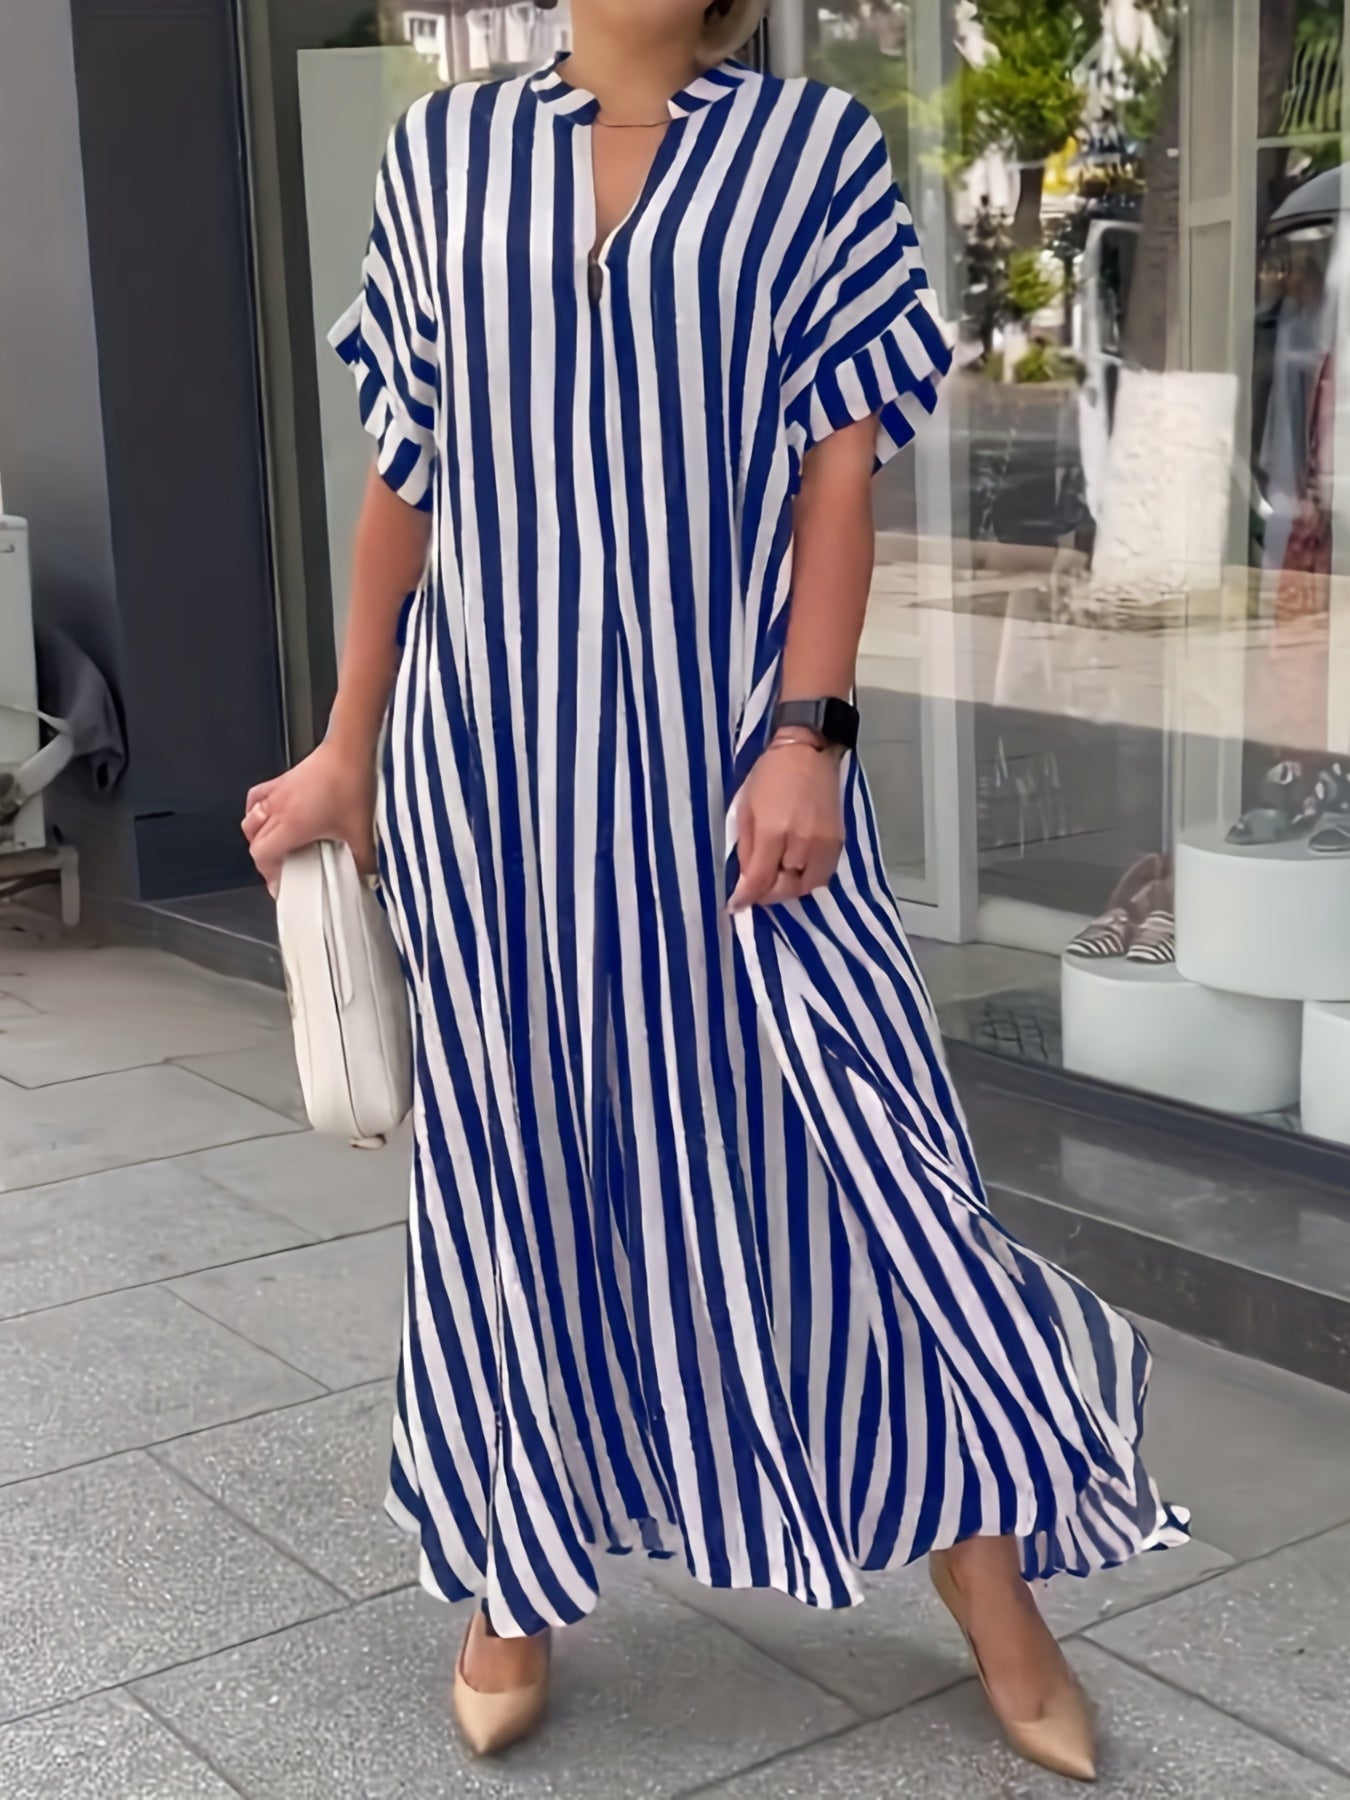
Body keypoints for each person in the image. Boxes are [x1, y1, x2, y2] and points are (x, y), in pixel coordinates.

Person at [244, 0, 1184, 1777]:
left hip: (733, 767)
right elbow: (404, 478)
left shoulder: (811, 153)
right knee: (514, 1162)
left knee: (855, 1150)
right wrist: (348, 742)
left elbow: (840, 481)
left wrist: (808, 736)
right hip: (492, 774)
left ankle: (982, 1566)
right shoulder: (446, 153)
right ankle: (511, 1568)